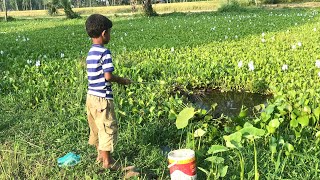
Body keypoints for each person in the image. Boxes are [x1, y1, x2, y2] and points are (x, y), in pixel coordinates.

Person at [85, 14, 131, 169]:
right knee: (107, 127)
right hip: (103, 98)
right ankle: (108, 162)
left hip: (91, 97)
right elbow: (108, 76)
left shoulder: (91, 52)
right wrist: (122, 80)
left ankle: (100, 156)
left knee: (97, 127)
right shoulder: (105, 52)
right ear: (104, 33)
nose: (110, 35)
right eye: (109, 33)